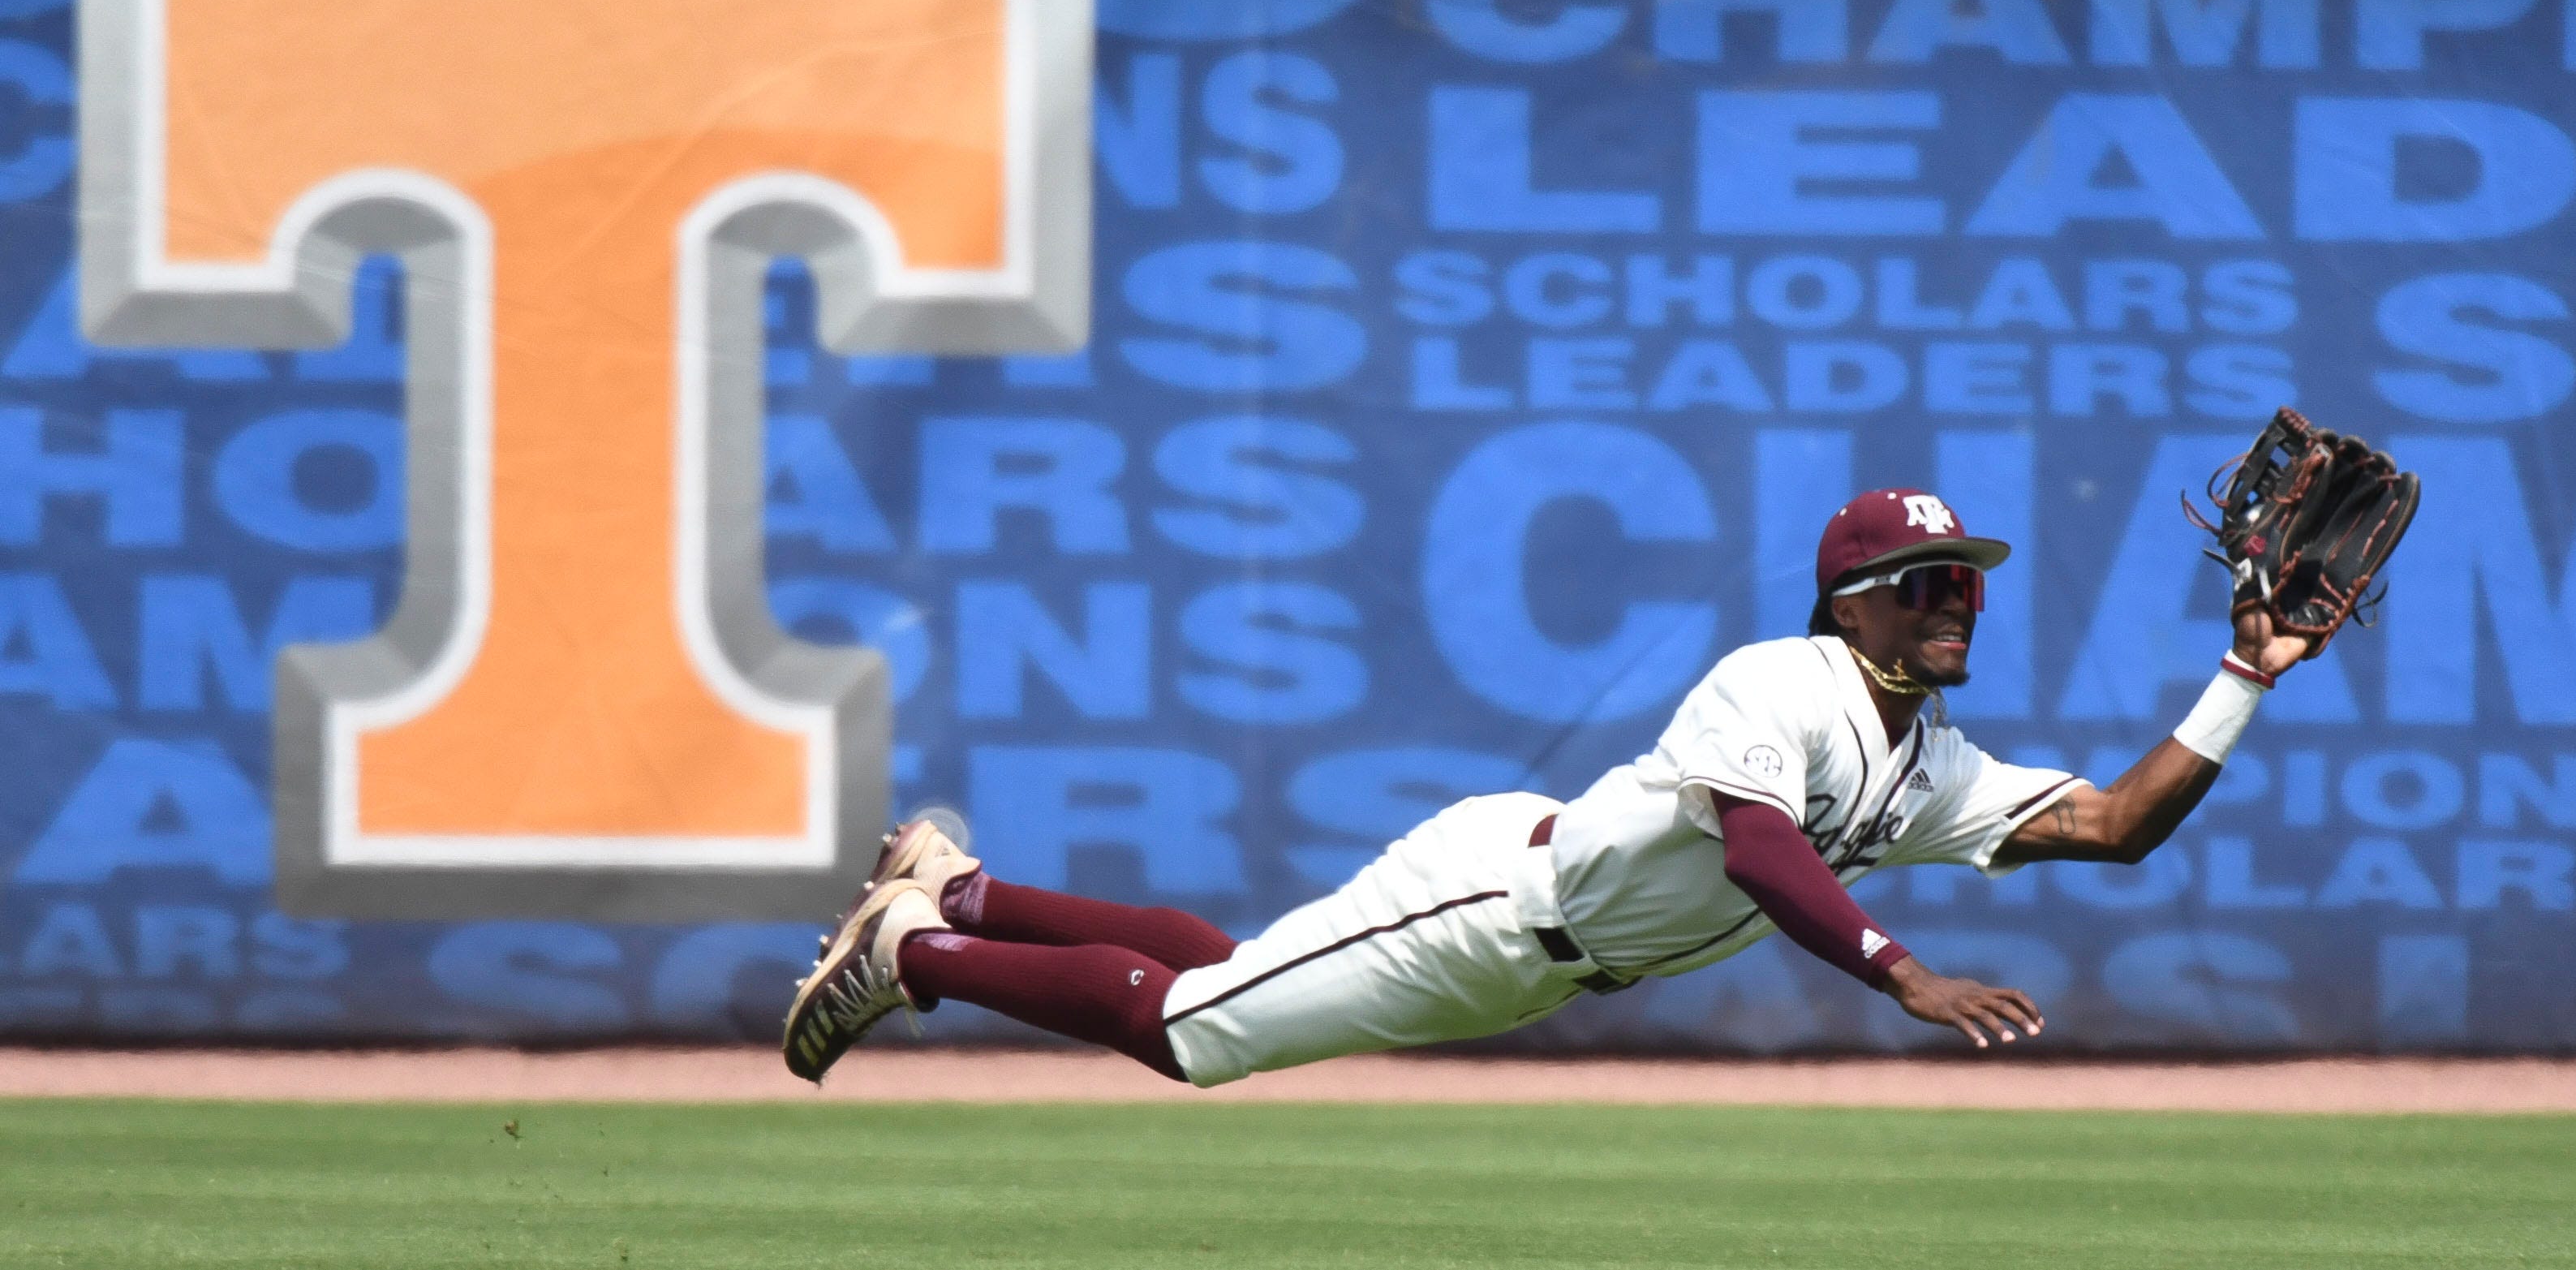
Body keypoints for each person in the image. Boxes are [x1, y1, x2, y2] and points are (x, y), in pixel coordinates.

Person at [781, 486, 2320, 1085]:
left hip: (1530, 963)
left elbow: (2112, 828)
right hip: (1490, 906)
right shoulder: (1775, 682)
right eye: (1922, 582)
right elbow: (1763, 844)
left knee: (1238, 970)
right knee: (1191, 1033)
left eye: (1966, 583)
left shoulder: (1934, 762)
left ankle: (961, 880)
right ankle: (914, 946)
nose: (1953, 602)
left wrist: (2240, 678)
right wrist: (1897, 968)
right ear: (1849, 598)